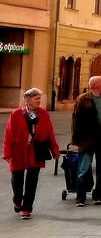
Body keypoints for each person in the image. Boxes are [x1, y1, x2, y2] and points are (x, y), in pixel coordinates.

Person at [3, 88, 60, 220]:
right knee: (16, 180)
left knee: (32, 181)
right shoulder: (17, 114)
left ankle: (27, 208)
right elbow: (9, 134)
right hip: (19, 151)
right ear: (27, 100)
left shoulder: (43, 114)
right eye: (36, 98)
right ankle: (17, 200)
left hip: (36, 151)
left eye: (39, 98)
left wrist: (55, 150)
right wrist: (7, 152)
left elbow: (50, 133)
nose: (39, 101)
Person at [71, 75, 101, 207]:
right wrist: (76, 140)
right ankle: (80, 198)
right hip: (87, 141)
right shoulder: (83, 99)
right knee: (83, 170)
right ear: (94, 84)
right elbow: (76, 121)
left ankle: (99, 196)